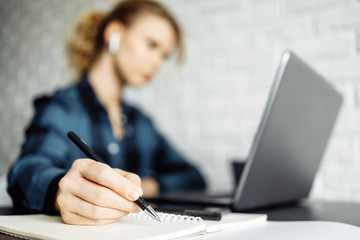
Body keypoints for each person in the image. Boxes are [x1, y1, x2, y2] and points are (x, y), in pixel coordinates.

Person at [7, 0, 205, 225]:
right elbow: (24, 172)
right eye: (152, 44)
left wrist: (145, 187)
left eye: (164, 56)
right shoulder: (62, 108)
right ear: (114, 33)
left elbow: (194, 177)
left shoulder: (140, 123)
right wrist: (59, 191)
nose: (157, 63)